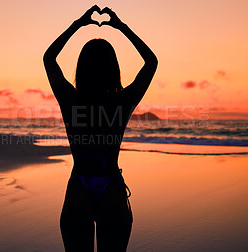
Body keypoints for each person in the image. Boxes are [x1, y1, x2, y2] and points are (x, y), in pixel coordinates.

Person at [43, 5, 158, 252]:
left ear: (81, 68)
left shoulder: (70, 100)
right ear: (114, 68)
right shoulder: (122, 101)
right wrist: (121, 27)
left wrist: (78, 24)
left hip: (79, 189)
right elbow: (151, 62)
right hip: (112, 191)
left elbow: (48, 58)